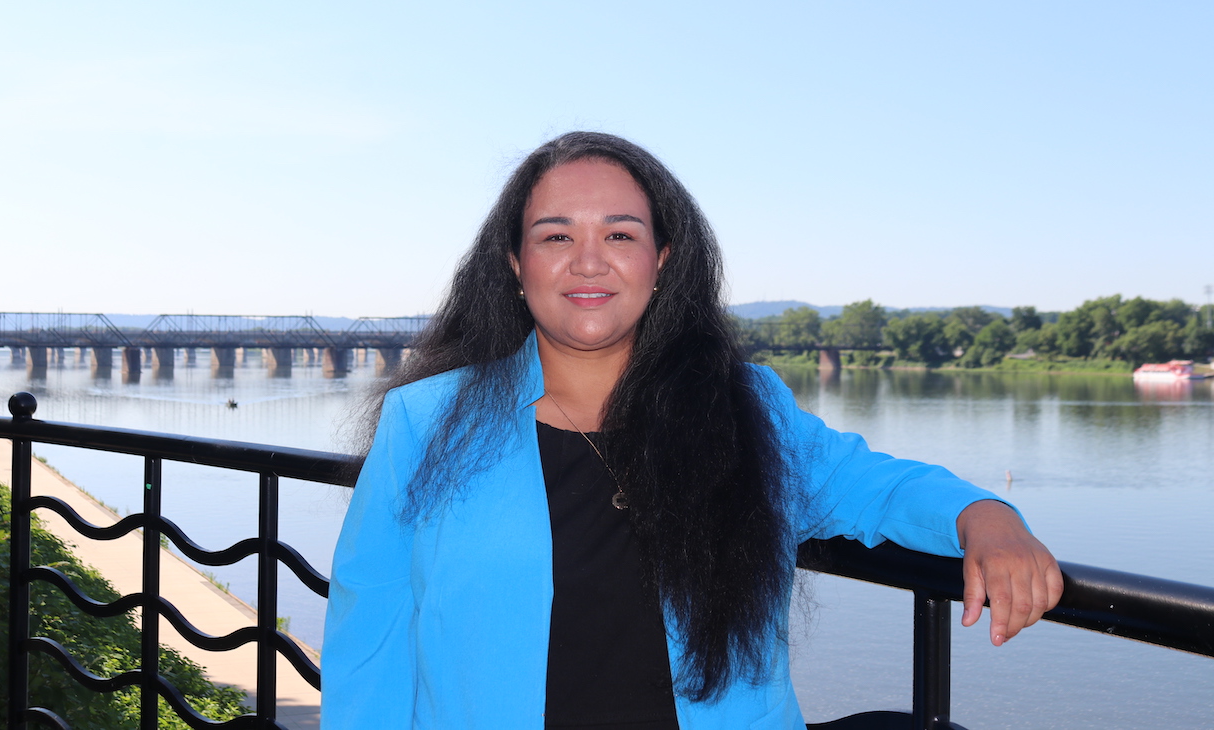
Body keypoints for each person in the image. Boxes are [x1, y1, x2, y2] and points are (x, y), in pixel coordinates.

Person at [322, 131, 1062, 729]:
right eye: (554, 237)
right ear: (516, 266)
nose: (588, 261)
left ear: (660, 260)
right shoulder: (428, 423)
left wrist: (986, 517)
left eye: (619, 234)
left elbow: (872, 485)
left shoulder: (742, 406)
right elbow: (372, 643)